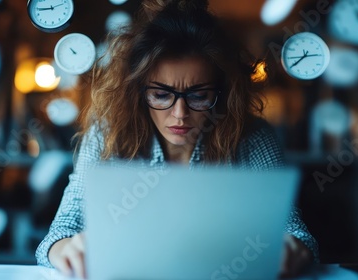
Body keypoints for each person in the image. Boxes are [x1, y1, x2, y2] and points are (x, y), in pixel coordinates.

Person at [36, 0, 318, 278]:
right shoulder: (107, 133)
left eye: (198, 95)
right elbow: (60, 231)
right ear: (137, 92)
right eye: (161, 95)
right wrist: (66, 249)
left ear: (222, 92)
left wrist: (293, 248)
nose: (180, 114)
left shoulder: (252, 137)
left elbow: (295, 231)